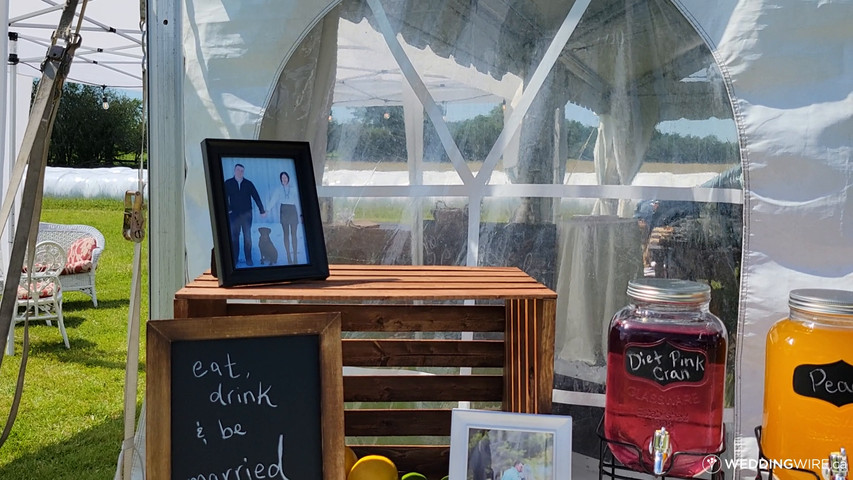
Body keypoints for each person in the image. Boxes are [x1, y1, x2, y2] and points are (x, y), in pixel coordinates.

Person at [225, 163, 265, 266]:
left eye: (242, 171)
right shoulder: (228, 183)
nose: (240, 172)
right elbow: (223, 196)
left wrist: (262, 210)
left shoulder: (248, 184)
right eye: (238, 170)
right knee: (235, 237)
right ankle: (235, 259)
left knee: (247, 236)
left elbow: (256, 196)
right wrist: (228, 209)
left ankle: (248, 259)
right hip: (234, 215)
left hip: (247, 214)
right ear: (234, 171)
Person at [267, 171, 302, 264]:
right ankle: (288, 256)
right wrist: (267, 209)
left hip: (292, 210)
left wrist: (301, 213)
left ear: (288, 178)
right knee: (286, 234)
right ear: (280, 179)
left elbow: (299, 201)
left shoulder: (294, 189)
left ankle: (295, 256)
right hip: (284, 211)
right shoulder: (278, 189)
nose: (284, 179)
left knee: (294, 234)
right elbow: (273, 199)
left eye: (285, 177)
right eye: (282, 178)